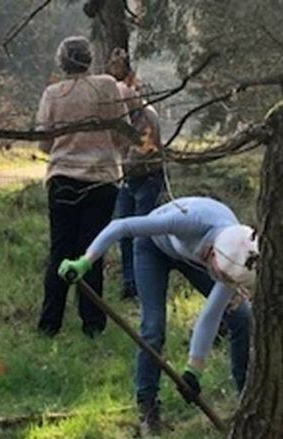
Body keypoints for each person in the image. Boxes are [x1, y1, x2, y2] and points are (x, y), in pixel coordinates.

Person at [58, 197, 259, 435]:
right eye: (222, 276)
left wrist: (194, 370)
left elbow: (210, 314)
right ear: (213, 254)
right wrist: (85, 262)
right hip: (153, 247)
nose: (224, 282)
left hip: (192, 257)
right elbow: (121, 226)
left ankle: (247, 401)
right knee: (153, 327)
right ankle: (147, 406)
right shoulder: (190, 222)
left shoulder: (239, 255)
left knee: (241, 314)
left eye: (228, 280)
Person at [35, 36, 130, 339]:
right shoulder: (106, 86)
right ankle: (92, 325)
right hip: (102, 179)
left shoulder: (53, 94)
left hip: (62, 177)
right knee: (92, 253)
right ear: (90, 59)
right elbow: (123, 134)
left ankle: (49, 324)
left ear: (61, 62)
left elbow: (44, 142)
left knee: (60, 251)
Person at [109, 52, 166, 300]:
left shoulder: (147, 116)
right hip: (127, 182)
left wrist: (117, 163)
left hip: (147, 179)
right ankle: (129, 283)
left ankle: (143, 283)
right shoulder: (122, 118)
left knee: (142, 235)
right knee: (124, 233)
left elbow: (142, 152)